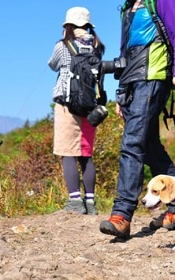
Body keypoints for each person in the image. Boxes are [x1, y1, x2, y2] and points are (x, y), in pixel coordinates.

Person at [99, 0, 175, 238]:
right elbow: (124, 54)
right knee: (149, 146)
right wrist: (121, 94)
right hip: (133, 82)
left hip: (154, 76)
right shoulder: (128, 8)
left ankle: (122, 214)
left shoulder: (162, 1)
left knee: (132, 142)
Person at [48, 7, 106, 215]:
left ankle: (74, 201)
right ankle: (90, 202)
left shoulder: (63, 46)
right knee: (85, 154)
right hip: (91, 108)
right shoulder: (98, 47)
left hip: (67, 105)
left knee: (67, 153)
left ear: (68, 26)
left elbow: (52, 65)